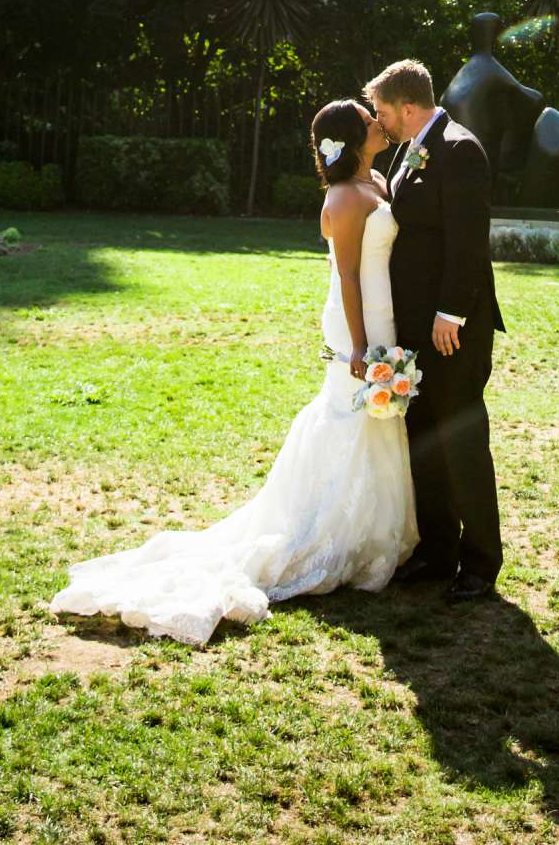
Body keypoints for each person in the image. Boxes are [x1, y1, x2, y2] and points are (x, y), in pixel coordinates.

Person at [48, 99, 416, 647]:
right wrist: (361, 345)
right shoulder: (342, 198)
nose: (376, 123)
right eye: (367, 120)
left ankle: (374, 534)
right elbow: (346, 278)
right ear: (350, 137)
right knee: (348, 414)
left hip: (385, 311)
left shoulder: (381, 182)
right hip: (355, 321)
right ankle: (327, 534)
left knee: (381, 418)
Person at [367, 57, 504, 602]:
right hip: (414, 328)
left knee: (462, 440)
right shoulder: (409, 147)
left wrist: (451, 312)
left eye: (382, 111)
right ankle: (437, 548)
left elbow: (469, 241)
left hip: (453, 329)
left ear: (406, 106)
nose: (379, 122)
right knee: (423, 435)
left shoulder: (460, 149)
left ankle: (480, 562)